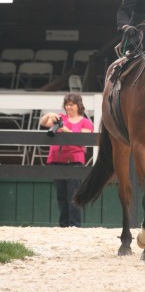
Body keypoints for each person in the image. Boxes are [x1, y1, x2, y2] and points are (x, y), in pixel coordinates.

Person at [40, 93, 94, 228]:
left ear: (78, 105)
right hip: (56, 160)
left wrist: (66, 130)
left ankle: (75, 225)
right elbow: (43, 123)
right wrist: (49, 115)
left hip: (74, 161)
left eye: (71, 104)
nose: (68, 107)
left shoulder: (85, 121)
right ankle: (63, 225)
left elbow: (83, 139)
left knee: (74, 194)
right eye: (67, 104)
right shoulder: (61, 118)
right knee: (61, 195)